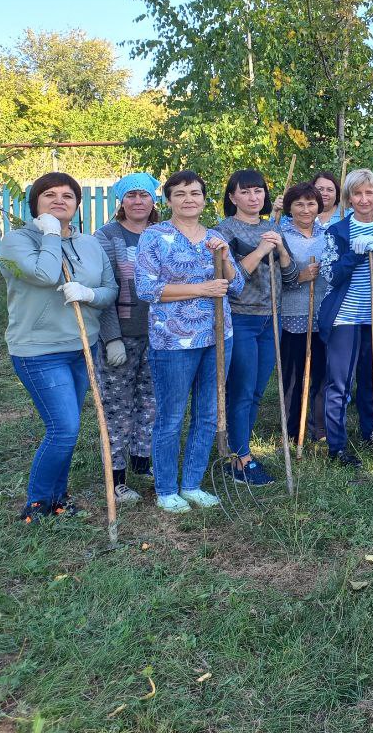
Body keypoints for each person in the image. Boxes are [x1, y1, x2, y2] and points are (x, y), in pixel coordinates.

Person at [0, 172, 119, 522]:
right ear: (35, 203)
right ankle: (37, 503)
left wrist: (88, 294)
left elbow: (110, 290)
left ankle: (58, 498)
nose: (59, 200)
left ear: (78, 205)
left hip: (83, 346)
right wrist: (51, 233)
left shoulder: (91, 244)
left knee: (66, 429)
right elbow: (45, 275)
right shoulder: (17, 241)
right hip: (38, 350)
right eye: (49, 194)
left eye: (68, 196)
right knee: (64, 428)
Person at [135, 171, 245, 514]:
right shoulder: (155, 237)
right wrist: (202, 289)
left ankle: (192, 484)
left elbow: (237, 285)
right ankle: (167, 489)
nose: (188, 199)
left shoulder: (214, 236)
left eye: (195, 193)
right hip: (173, 341)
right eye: (180, 194)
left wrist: (225, 257)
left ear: (203, 198)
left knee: (208, 414)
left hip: (217, 336)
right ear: (168, 200)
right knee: (171, 416)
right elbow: (147, 289)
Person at [317, 169, 373, 465]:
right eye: (358, 193)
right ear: (349, 198)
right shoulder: (338, 231)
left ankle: (371, 436)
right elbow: (330, 275)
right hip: (346, 316)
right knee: (339, 384)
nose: (364, 199)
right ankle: (337, 446)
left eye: (370, 193)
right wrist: (353, 256)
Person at [217, 169, 298, 486]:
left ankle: (241, 451)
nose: (254, 197)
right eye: (246, 192)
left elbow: (290, 278)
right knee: (241, 388)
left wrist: (281, 250)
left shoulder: (273, 228)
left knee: (256, 391)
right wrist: (262, 250)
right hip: (241, 318)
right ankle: (240, 459)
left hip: (271, 318)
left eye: (259, 191)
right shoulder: (223, 231)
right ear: (233, 196)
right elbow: (231, 280)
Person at [93, 172, 162, 504]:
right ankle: (116, 475)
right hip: (122, 334)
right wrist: (110, 338)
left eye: (144, 195)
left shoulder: (163, 234)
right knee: (118, 405)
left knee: (151, 401)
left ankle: (142, 460)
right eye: (131, 195)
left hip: (160, 334)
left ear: (154, 201)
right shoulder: (106, 237)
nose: (138, 201)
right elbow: (104, 292)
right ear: (121, 201)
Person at [279, 183, 329, 446]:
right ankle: (291, 429)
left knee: (320, 372)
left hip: (323, 311)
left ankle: (317, 427)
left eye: (311, 204)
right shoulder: (281, 235)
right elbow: (274, 278)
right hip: (293, 312)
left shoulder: (327, 235)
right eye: (299, 204)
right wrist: (300, 277)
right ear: (290, 208)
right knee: (294, 375)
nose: (306, 209)